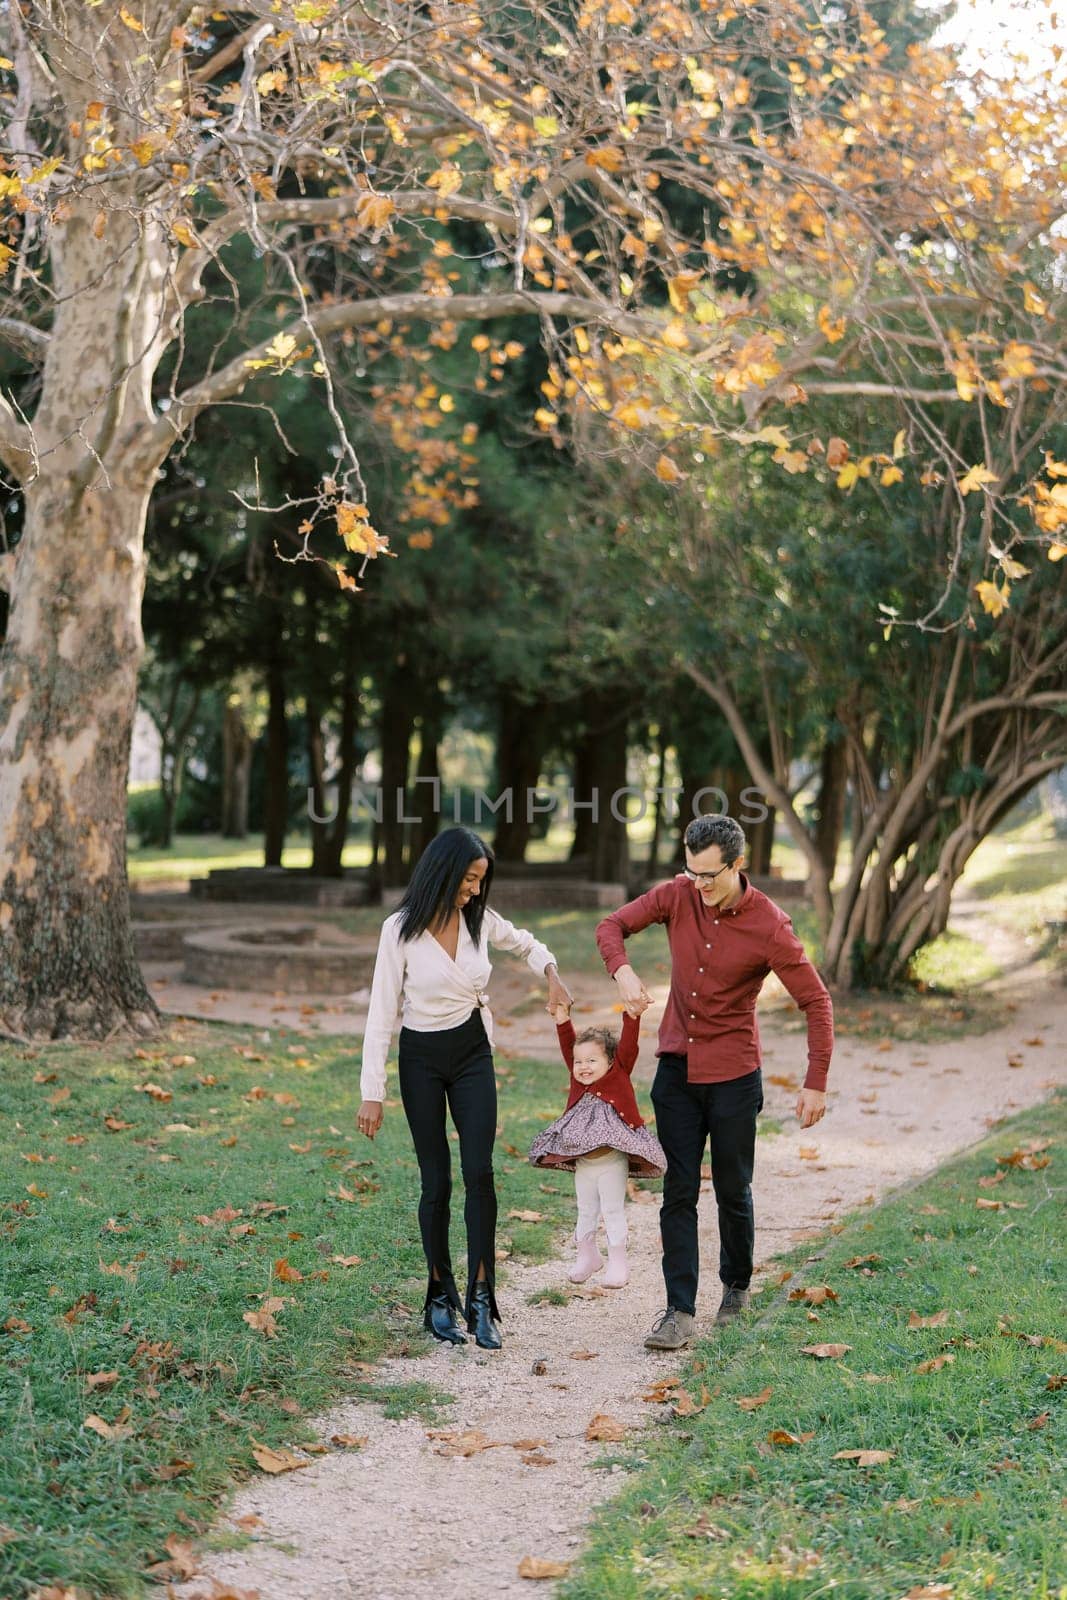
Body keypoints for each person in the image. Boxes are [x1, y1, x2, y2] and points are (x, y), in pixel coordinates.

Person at [595, 814, 834, 1351]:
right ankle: (678, 1310)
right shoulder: (677, 895)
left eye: (710, 876)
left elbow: (816, 1001)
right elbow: (610, 926)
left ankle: (736, 1289)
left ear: (738, 864)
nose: (698, 886)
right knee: (677, 1193)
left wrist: (815, 1079)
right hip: (677, 1072)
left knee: (732, 1189)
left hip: (733, 1076)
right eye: (692, 872)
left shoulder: (770, 924)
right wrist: (623, 972)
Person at [357, 826, 572, 1350]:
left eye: (481, 881)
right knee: (437, 1181)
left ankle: (481, 1298)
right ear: (445, 871)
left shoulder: (480, 921)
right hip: (421, 1059)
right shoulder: (399, 930)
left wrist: (551, 973)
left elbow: (528, 943)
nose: (475, 891)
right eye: (470, 880)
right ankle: (437, 1295)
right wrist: (372, 1089)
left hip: (473, 1053)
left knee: (479, 1171)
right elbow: (381, 1011)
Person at [529, 1001, 666, 1288]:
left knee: (613, 1210)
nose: (583, 1067)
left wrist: (632, 1015)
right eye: (579, 1062)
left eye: (592, 1060)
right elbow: (569, 1044)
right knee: (585, 1209)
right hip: (584, 1164)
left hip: (611, 1163)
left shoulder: (619, 1073)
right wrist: (562, 1019)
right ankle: (587, 1255)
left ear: (610, 1061)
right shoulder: (578, 1080)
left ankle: (618, 1262)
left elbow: (629, 1042)